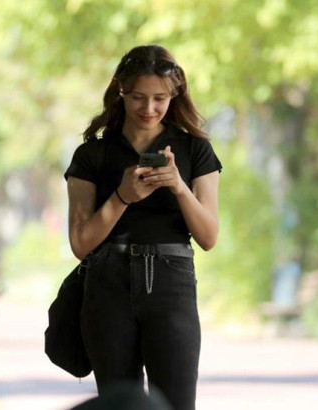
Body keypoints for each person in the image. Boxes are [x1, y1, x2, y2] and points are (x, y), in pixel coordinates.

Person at [64, 45, 222, 410]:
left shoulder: (195, 149)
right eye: (138, 97)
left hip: (171, 284)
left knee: (178, 403)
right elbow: (80, 243)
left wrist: (179, 186)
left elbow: (209, 237)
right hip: (108, 285)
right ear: (120, 90)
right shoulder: (92, 155)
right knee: (121, 405)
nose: (148, 108)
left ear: (174, 95)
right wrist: (122, 196)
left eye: (159, 98)